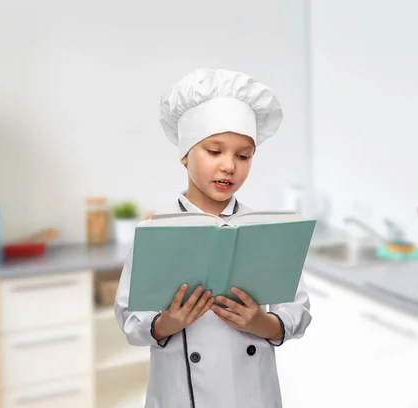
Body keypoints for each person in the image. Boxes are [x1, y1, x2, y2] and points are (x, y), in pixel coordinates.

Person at [114, 67, 312, 408]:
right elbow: (129, 319)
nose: (229, 166)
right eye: (214, 150)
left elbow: (299, 311)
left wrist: (262, 322)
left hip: (253, 395)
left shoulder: (265, 230)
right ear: (185, 153)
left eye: (243, 155)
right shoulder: (157, 233)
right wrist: (167, 323)